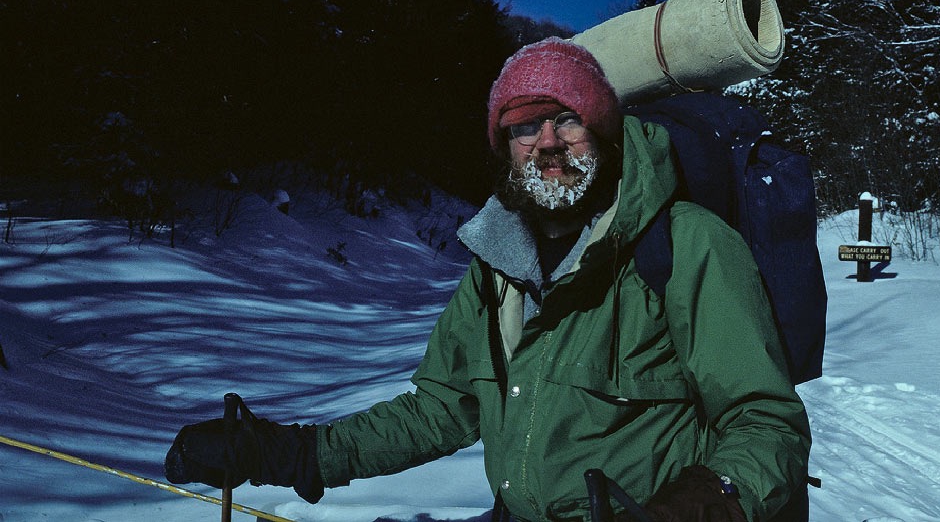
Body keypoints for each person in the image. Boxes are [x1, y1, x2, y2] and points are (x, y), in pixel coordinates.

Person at [166, 37, 811, 521]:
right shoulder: (496, 269)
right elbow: (440, 408)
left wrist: (697, 503)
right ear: (505, 149)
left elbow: (766, 421)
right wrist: (288, 453)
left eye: (568, 120)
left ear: (606, 133)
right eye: (525, 127)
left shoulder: (687, 244)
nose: (547, 143)